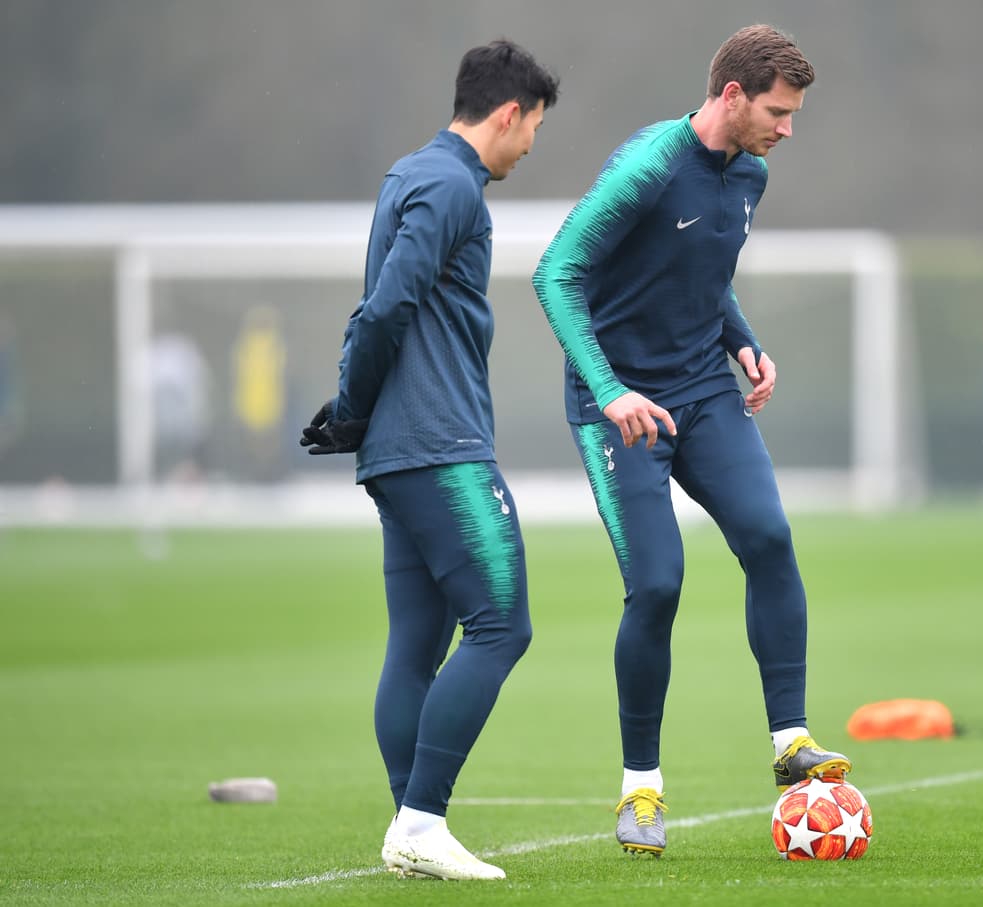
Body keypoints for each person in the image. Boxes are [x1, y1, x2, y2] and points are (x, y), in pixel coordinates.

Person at [531, 24, 849, 858]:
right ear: (733, 96)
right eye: (779, 111)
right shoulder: (647, 166)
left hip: (705, 390)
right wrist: (609, 390)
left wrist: (742, 340)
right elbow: (555, 272)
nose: (789, 128)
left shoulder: (753, 172)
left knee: (771, 538)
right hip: (620, 404)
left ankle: (791, 740)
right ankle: (641, 790)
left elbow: (707, 270)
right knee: (659, 584)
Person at [300, 39, 558, 881]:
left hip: (397, 453)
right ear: (509, 112)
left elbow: (380, 309)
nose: (530, 149)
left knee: (416, 642)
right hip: (440, 447)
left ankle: (409, 824)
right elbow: (384, 309)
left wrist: (356, 416)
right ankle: (420, 820)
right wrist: (351, 402)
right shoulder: (452, 186)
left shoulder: (409, 174)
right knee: (501, 625)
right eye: (533, 131)